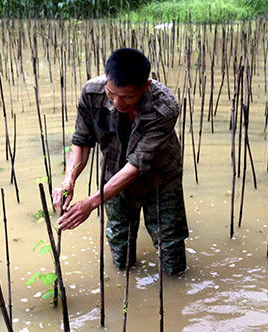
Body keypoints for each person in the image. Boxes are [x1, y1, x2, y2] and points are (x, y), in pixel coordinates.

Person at [51, 48, 189, 277]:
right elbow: (82, 141)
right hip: (113, 176)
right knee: (119, 244)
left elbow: (135, 166)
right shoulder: (92, 93)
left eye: (126, 97)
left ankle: (178, 288)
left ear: (144, 87)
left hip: (161, 178)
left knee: (171, 245)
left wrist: (90, 203)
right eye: (111, 94)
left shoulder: (164, 107)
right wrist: (69, 180)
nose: (117, 103)